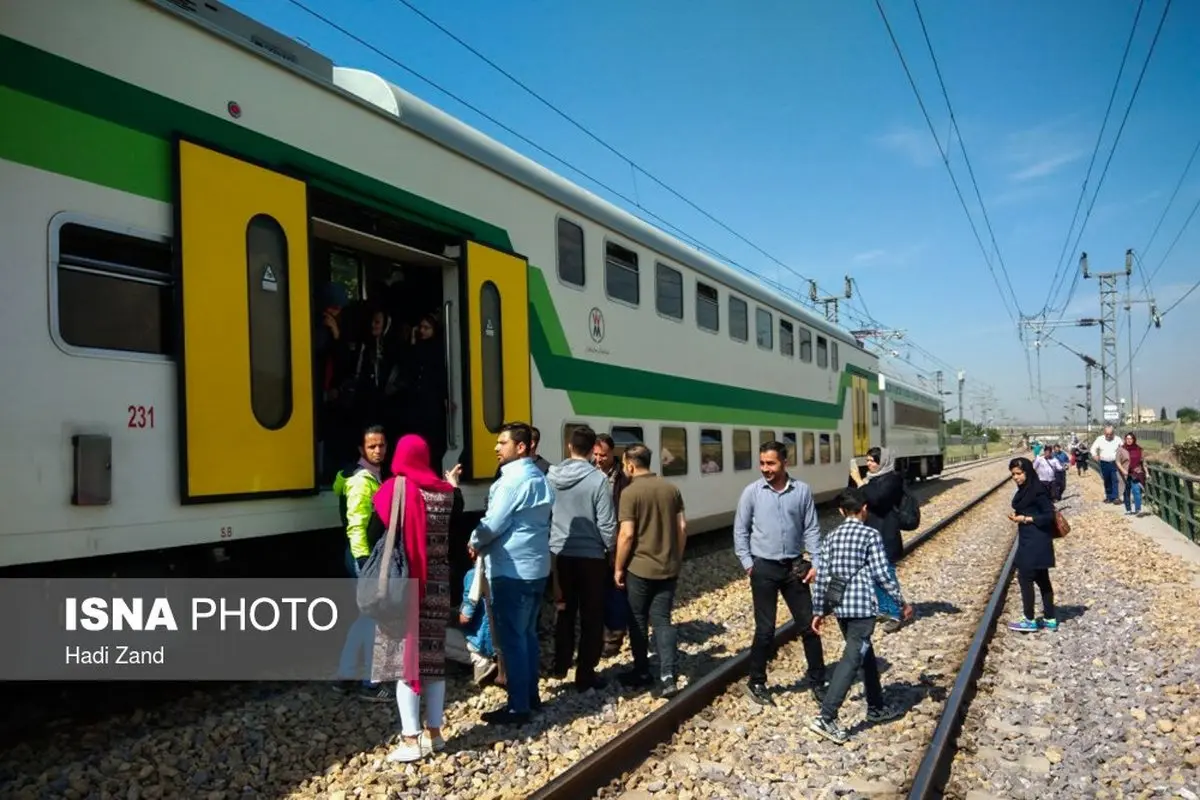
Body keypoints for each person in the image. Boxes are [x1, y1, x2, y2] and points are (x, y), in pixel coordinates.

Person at [366, 434, 460, 763]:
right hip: (437, 587)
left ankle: (410, 739)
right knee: (433, 661)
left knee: (404, 664)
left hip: (404, 587)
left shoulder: (395, 489)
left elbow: (372, 532)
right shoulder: (446, 493)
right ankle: (435, 734)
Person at [809, 488, 911, 744]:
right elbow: (882, 574)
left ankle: (876, 707)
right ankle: (827, 716)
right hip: (863, 608)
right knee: (853, 657)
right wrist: (901, 602)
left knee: (864, 654)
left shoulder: (831, 537)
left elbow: (822, 577)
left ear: (841, 511)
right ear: (863, 509)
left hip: (841, 607)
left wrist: (819, 610)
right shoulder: (869, 535)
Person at [469, 422, 554, 725]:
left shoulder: (511, 482)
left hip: (511, 570)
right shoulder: (540, 478)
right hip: (537, 569)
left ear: (520, 447)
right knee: (528, 635)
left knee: (513, 639)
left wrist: (473, 541)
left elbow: (492, 524)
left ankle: (518, 707)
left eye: (502, 443)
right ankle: (531, 696)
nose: (496, 448)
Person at [734, 441, 828, 706]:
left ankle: (818, 680)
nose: (765, 468)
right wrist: (748, 563)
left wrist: (816, 561)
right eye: (762, 463)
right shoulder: (751, 493)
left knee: (809, 625)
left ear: (785, 463)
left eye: (771, 463)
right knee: (765, 629)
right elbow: (740, 530)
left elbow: (811, 529)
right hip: (763, 568)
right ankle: (757, 681)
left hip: (794, 568)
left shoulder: (802, 491)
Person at [547, 425, 617, 692]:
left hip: (560, 554)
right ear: (592, 451)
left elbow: (547, 514)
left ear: (569, 446)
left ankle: (560, 664)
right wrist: (610, 552)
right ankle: (585, 673)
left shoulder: (551, 476)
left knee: (564, 611)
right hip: (591, 559)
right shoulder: (598, 480)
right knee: (591, 617)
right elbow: (607, 525)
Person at [614, 444, 687, 698]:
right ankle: (668, 676)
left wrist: (618, 567)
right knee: (663, 620)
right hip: (668, 567)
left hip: (640, 569)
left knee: (638, 619)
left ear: (630, 465)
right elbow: (682, 527)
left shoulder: (630, 493)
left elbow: (627, 534)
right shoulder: (671, 489)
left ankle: (642, 671)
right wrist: (676, 557)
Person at [332, 425, 393, 702]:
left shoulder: (366, 477)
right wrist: (364, 561)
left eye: (381, 445)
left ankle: (344, 676)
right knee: (375, 620)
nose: (378, 451)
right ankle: (371, 684)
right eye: (372, 447)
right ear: (361, 449)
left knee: (365, 618)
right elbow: (356, 526)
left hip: (361, 554)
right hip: (363, 555)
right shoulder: (361, 482)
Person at [854, 447, 906, 634]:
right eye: (867, 460)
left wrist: (860, 482)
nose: (869, 464)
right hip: (871, 530)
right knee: (874, 573)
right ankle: (884, 609)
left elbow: (877, 499)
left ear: (882, 461)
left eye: (873, 461)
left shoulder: (892, 479)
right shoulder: (873, 479)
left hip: (886, 531)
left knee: (887, 573)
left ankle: (895, 613)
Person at [1005, 458, 1058, 633]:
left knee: (1025, 577)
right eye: (1013, 474)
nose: (1015, 477)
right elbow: (1029, 507)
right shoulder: (1026, 489)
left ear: (1027, 472)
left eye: (1019, 474)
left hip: (1036, 541)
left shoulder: (1037, 490)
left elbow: (1049, 516)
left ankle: (1029, 619)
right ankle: (1050, 619)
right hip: (1032, 539)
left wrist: (1026, 518)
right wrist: (1020, 514)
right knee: (1042, 578)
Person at [593, 433, 631, 657]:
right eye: (596, 454)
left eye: (603, 455)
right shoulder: (589, 473)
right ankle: (601, 635)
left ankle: (615, 636)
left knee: (616, 590)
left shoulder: (623, 479)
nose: (598, 459)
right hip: (594, 543)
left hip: (615, 542)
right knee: (597, 592)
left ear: (612, 454)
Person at [1090, 426, 1122, 503]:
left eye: (1110, 434)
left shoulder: (1118, 439)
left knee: (1115, 479)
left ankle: (1116, 497)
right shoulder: (1100, 439)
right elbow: (1092, 448)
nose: (1108, 436)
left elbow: (1124, 448)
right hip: (1104, 463)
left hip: (1114, 462)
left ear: (1113, 433)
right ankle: (1109, 496)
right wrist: (1094, 455)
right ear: (1104, 433)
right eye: (1107, 434)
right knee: (1107, 480)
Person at [1117, 433, 1145, 515]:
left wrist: (1146, 472)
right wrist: (1123, 470)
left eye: (1131, 439)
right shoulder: (1121, 449)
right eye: (1127, 439)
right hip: (1125, 473)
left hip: (1135, 473)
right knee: (1126, 491)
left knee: (1136, 491)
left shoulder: (1139, 449)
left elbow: (1143, 461)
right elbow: (1117, 461)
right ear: (1125, 439)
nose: (1129, 440)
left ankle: (1138, 509)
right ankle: (1128, 510)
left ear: (1134, 439)